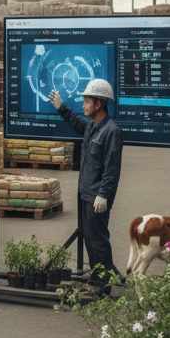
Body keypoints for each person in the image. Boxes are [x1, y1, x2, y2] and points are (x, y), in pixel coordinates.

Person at [49, 79, 123, 284]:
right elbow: (76, 122)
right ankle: (101, 277)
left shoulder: (112, 131)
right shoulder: (92, 126)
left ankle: (102, 285)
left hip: (97, 197)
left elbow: (111, 169)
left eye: (87, 101)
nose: (83, 105)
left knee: (98, 241)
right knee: (90, 239)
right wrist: (61, 107)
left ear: (98, 104)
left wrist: (103, 194)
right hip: (85, 193)